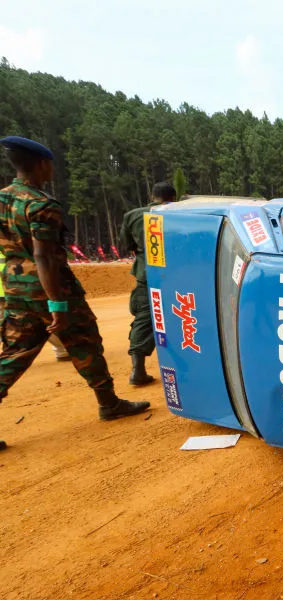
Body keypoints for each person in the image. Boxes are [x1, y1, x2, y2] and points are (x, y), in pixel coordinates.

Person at [0, 136, 149, 451]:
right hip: (51, 289)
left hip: (15, 289)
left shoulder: (3, 199)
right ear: (42, 164)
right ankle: (109, 404)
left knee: (13, 356)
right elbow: (44, 257)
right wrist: (57, 304)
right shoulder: (41, 204)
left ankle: (110, 403)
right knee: (85, 343)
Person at [118, 182, 177, 385]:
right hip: (179, 276)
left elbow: (126, 246)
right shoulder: (179, 215)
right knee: (186, 317)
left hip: (147, 274)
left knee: (144, 318)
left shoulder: (133, 216)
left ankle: (138, 370)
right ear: (173, 198)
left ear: (152, 196)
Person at [0, 248, 70, 360]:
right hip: (16, 288)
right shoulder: (11, 242)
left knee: (32, 323)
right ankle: (62, 348)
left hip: (12, 289)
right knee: (40, 321)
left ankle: (62, 348)